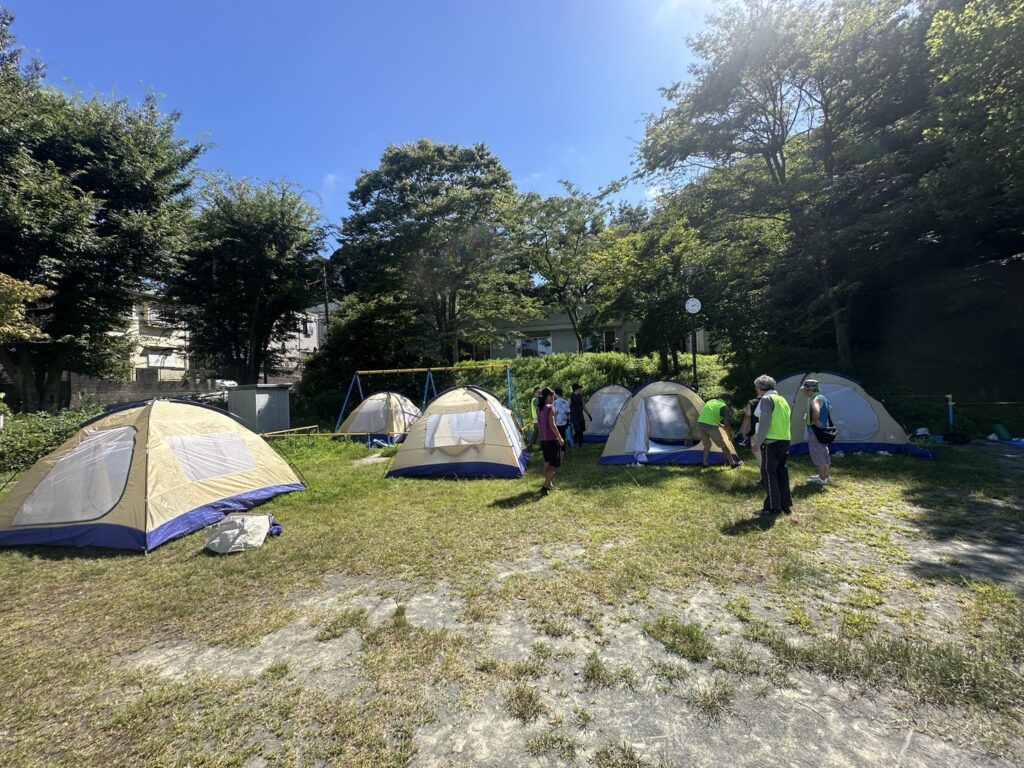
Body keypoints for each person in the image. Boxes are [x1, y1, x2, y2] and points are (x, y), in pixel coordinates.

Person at [751, 374, 793, 515]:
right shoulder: (782, 399)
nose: (756, 390)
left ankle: (772, 507)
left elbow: (764, 423)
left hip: (771, 441)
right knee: (782, 472)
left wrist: (758, 442)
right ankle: (785, 504)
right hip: (785, 439)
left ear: (760, 388)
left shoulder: (766, 399)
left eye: (756, 387)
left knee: (769, 473)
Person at [696, 393, 742, 468]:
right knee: (723, 446)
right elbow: (727, 425)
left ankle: (705, 463)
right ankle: (732, 464)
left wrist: (720, 425)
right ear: (728, 401)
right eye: (730, 402)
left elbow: (710, 415)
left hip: (700, 425)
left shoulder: (711, 401)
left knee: (707, 445)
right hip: (711, 427)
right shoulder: (724, 408)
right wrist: (730, 436)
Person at [801, 379, 832, 485]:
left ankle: (822, 479)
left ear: (809, 389)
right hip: (824, 431)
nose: (804, 392)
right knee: (824, 453)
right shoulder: (823, 398)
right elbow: (830, 409)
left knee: (817, 453)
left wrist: (814, 421)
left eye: (804, 389)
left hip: (815, 432)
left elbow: (817, 412)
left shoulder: (815, 399)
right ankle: (825, 476)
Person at [537, 387, 565, 495]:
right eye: (553, 396)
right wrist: (560, 437)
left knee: (547, 463)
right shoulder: (551, 408)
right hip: (552, 440)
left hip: (544, 440)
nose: (554, 398)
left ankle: (549, 484)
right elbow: (552, 424)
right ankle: (545, 487)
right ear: (548, 396)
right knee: (554, 466)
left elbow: (540, 425)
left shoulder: (539, 408)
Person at [741, 393, 764, 474]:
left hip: (758, 431)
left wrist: (744, 431)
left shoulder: (753, 402)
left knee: (758, 453)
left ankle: (765, 476)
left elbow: (747, 416)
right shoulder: (777, 400)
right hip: (775, 431)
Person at [569, 383, 591, 448]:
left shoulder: (580, 397)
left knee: (581, 430)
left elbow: (583, 406)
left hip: (580, 416)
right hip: (574, 417)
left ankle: (580, 445)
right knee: (578, 430)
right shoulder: (571, 397)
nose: (580, 390)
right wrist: (568, 417)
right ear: (576, 389)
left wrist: (588, 414)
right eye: (579, 388)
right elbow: (567, 408)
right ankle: (573, 441)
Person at [552, 386, 570, 452]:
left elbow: (553, 413)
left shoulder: (554, 403)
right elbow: (568, 412)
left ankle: (559, 450)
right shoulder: (565, 402)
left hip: (557, 423)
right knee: (563, 436)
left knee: (557, 437)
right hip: (565, 422)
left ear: (555, 393)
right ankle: (563, 450)